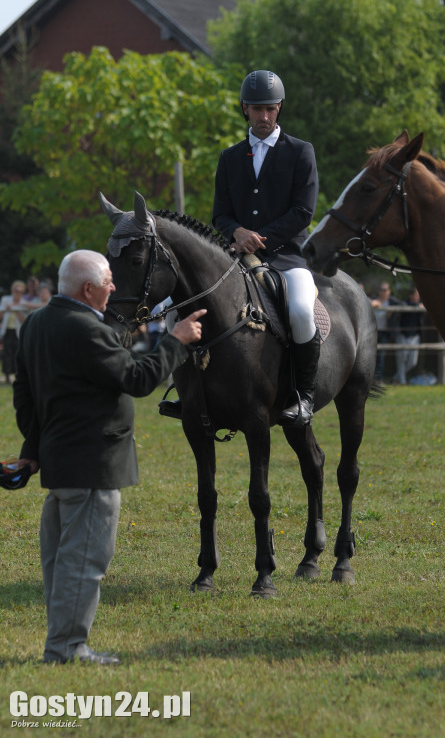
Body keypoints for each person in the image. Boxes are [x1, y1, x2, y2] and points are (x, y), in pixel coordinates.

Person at [13, 250, 206, 665]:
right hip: (92, 466)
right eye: (108, 282)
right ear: (88, 289)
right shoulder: (87, 329)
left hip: (60, 465)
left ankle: (62, 643)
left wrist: (32, 451)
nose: (115, 288)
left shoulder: (35, 325)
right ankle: (66, 649)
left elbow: (26, 400)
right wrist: (176, 341)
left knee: (61, 563)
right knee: (83, 563)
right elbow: (137, 379)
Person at [212, 69, 320, 425]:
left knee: (302, 311)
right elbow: (220, 215)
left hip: (287, 255)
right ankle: (194, 393)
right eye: (256, 109)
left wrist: (260, 237)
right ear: (244, 108)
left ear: (279, 109)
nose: (263, 116)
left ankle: (304, 396)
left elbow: (303, 212)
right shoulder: (229, 158)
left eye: (270, 109)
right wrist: (238, 232)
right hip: (236, 257)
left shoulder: (301, 152)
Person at [394, 286, 424, 385]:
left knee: (412, 362)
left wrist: (419, 306)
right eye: (416, 295)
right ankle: (402, 382)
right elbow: (400, 305)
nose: (418, 296)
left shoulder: (420, 305)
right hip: (403, 335)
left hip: (415, 336)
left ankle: (396, 377)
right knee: (401, 360)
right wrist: (417, 306)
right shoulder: (405, 303)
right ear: (411, 295)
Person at [0, 281, 29, 384]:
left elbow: (24, 320)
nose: (18, 294)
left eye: (21, 292)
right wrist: (7, 309)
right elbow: (1, 316)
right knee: (6, 353)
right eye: (16, 291)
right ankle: (7, 375)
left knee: (17, 354)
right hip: (7, 331)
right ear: (12, 291)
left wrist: (15, 309)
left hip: (18, 332)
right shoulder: (5, 300)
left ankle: (17, 375)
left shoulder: (24, 303)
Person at [370, 281, 400, 383]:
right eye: (381, 290)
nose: (383, 292)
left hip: (384, 332)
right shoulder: (373, 300)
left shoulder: (392, 302)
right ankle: (371, 378)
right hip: (372, 331)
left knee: (381, 356)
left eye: (385, 290)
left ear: (389, 291)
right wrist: (372, 303)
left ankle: (379, 378)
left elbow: (404, 304)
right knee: (371, 354)